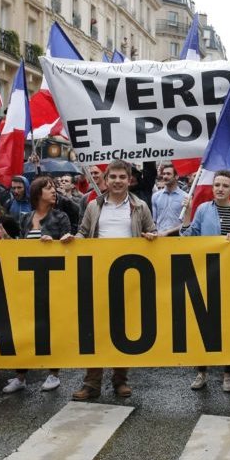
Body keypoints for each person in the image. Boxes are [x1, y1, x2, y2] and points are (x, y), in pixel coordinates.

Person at [72, 160, 157, 400]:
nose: (118, 181)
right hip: (97, 277)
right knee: (96, 329)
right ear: (106, 180)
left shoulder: (140, 206)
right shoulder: (93, 206)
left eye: (122, 177)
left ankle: (120, 379)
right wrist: (72, 238)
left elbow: (152, 231)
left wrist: (151, 237)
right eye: (113, 177)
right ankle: (92, 382)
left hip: (128, 278)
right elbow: (83, 231)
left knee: (122, 330)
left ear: (129, 180)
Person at [183, 170, 230, 392]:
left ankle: (228, 374)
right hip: (205, 275)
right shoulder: (203, 210)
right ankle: (201, 372)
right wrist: (186, 215)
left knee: (229, 326)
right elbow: (188, 237)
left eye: (224, 185)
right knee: (203, 325)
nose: (220, 188)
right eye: (217, 185)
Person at [3, 177, 74, 395]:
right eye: (49, 188)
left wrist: (53, 243)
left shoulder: (61, 217)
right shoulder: (26, 218)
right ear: (37, 193)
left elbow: (68, 246)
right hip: (27, 281)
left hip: (52, 281)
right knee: (25, 329)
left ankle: (53, 373)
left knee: (51, 328)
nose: (54, 192)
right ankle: (21, 376)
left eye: (54, 188)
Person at [150, 162, 189, 237]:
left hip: (178, 238)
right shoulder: (155, 196)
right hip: (160, 238)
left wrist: (168, 232)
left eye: (168, 174)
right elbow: (154, 221)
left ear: (176, 176)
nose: (165, 176)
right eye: (164, 174)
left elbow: (187, 222)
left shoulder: (185, 197)